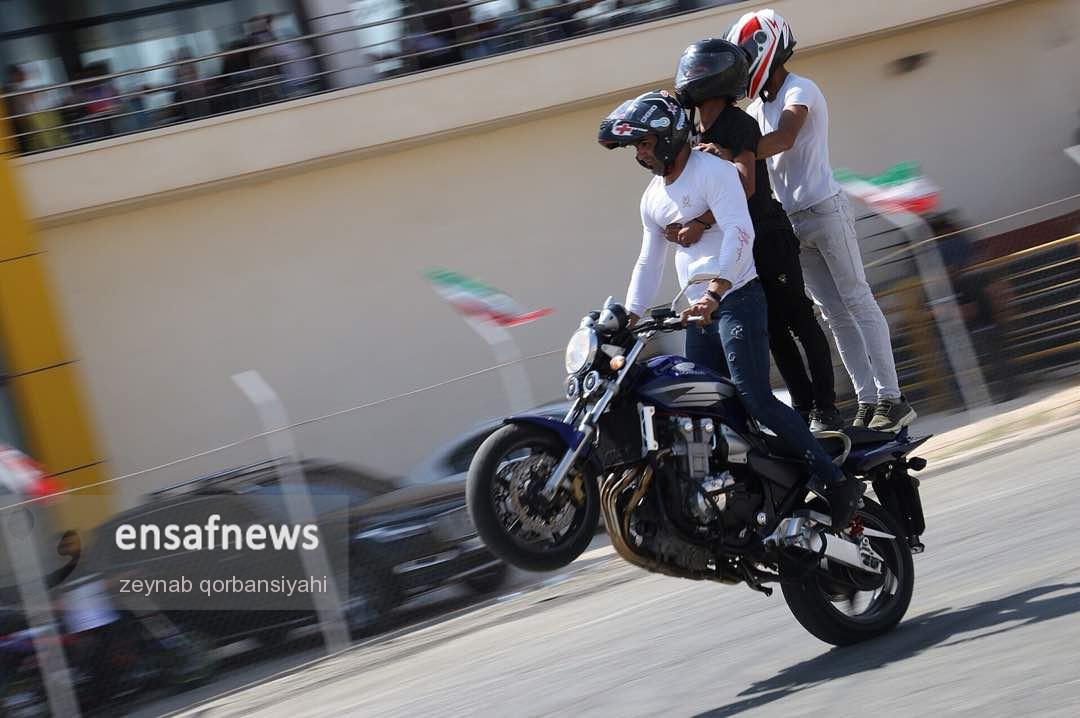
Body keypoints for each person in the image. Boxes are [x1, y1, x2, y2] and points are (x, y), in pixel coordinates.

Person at [597, 90, 861, 528]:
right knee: (702, 408)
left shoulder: (714, 172)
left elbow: (740, 232)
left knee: (755, 398)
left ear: (668, 136)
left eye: (643, 143)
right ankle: (734, 492)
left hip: (737, 299)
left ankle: (835, 481)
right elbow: (648, 262)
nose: (639, 154)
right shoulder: (653, 198)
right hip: (699, 313)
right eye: (635, 147)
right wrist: (629, 317)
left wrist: (716, 291)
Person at [723, 9, 916, 432]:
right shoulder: (755, 109)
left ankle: (892, 397)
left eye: (745, 57)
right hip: (792, 221)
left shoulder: (801, 89)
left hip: (825, 209)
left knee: (857, 299)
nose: (743, 69)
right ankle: (867, 401)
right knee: (834, 314)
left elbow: (785, 138)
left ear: (767, 48)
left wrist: (734, 151)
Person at [671, 37, 841, 432]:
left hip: (766, 235)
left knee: (799, 319)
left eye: (698, 70)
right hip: (739, 244)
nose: (690, 77)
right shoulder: (694, 130)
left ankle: (826, 407)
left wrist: (702, 220)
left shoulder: (737, 124)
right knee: (774, 332)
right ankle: (803, 409)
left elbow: (746, 186)